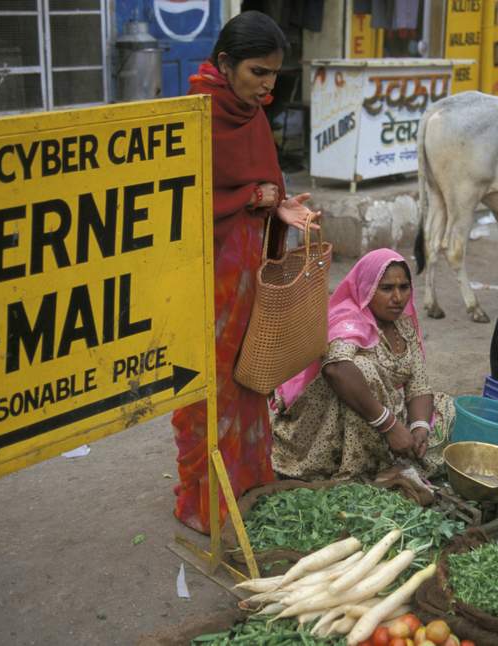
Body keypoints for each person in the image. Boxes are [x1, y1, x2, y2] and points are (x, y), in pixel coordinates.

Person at [171, 11, 320, 534]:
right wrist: (251, 197)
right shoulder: (195, 115)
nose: (268, 85)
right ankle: (200, 498)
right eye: (258, 72)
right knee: (208, 381)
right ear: (226, 63)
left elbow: (266, 182)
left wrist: (278, 206)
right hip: (204, 276)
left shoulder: (252, 114)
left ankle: (246, 480)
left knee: (247, 375)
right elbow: (180, 203)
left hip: (247, 268)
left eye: (275, 75)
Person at [271, 249, 454, 480]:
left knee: (446, 408)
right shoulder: (349, 319)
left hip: (383, 413)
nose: (398, 298)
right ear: (366, 289)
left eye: (404, 287)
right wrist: (390, 426)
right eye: (386, 288)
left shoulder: (403, 325)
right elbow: (335, 368)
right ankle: (362, 468)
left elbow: (418, 384)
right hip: (335, 422)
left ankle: (394, 457)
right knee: (362, 369)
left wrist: (419, 427)